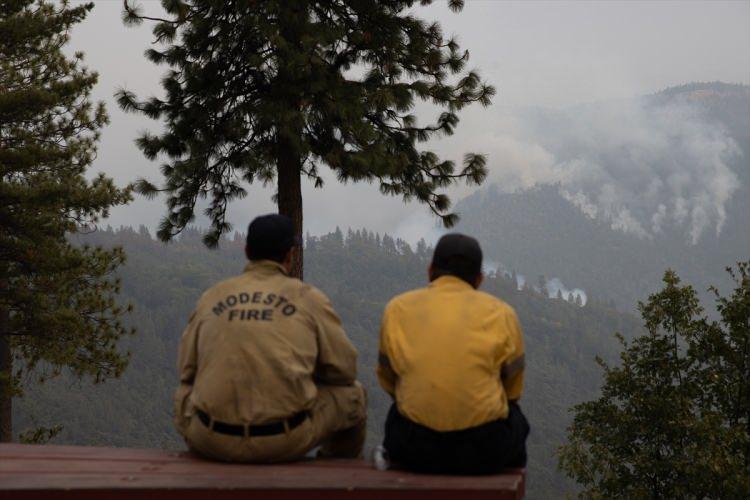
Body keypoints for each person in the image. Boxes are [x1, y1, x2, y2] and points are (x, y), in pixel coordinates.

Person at [173, 214, 366, 463]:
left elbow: (186, 370)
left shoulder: (213, 296)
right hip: (283, 441)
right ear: (290, 256)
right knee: (354, 395)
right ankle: (334, 471)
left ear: (247, 251)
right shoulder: (308, 298)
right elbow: (345, 370)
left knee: (184, 392)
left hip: (212, 440)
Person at [376, 233, 529, 474]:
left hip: (415, 447)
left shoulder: (397, 309)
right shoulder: (502, 314)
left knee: (397, 412)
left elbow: (388, 379)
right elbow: (513, 391)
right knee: (517, 421)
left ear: (430, 270)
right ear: (479, 279)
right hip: (483, 450)